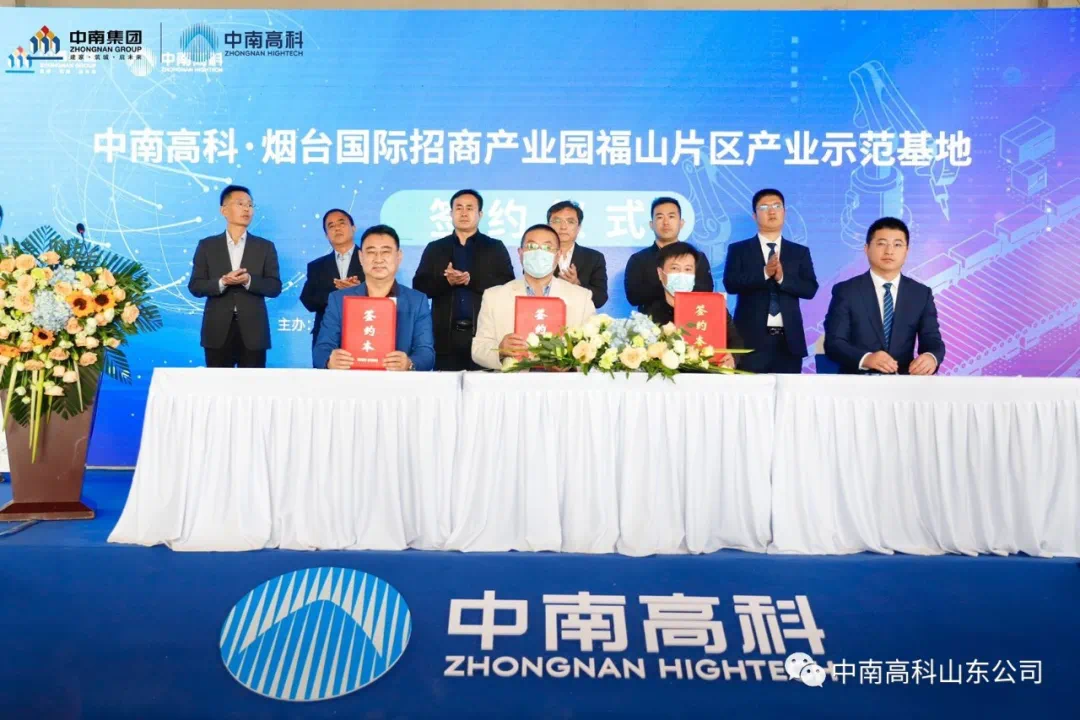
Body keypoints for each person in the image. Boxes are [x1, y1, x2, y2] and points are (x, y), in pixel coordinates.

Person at [824, 217, 945, 375]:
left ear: (907, 251)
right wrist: (866, 358)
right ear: (867, 249)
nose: (889, 251)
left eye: (897, 245)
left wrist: (931, 357)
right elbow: (834, 343)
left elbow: (932, 339)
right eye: (881, 243)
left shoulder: (921, 294)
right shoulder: (846, 291)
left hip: (903, 382)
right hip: (857, 382)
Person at [412, 189, 515, 370]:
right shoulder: (436, 248)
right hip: (444, 339)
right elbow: (419, 287)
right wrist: (447, 282)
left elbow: (507, 286)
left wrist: (471, 281)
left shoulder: (494, 247)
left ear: (480, 214)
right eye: (459, 208)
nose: (464, 213)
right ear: (451, 213)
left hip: (485, 338)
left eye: (470, 208)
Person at [472, 224, 596, 370]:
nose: (538, 253)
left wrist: (570, 365)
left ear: (558, 255)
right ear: (520, 253)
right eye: (531, 246)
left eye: (547, 247)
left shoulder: (581, 297)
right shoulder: (494, 296)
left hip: (562, 382)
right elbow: (478, 349)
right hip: (513, 381)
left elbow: (593, 348)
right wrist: (500, 350)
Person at [314, 224, 435, 371]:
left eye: (386, 252)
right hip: (351, 382)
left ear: (399, 256)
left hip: (398, 383)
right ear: (361, 257)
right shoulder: (338, 299)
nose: (378, 259)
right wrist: (329, 361)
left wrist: (409, 363)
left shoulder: (417, 301)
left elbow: (426, 353)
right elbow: (321, 350)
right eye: (371, 252)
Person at [722, 188, 818, 374]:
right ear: (754, 215)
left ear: (784, 212)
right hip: (750, 342)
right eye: (764, 207)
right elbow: (731, 284)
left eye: (777, 206)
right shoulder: (739, 249)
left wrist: (782, 278)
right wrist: (764, 273)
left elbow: (810, 288)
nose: (771, 211)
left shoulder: (799, 252)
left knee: (789, 392)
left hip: (788, 342)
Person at [188, 184, 281, 368]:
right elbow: (196, 286)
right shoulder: (207, 246)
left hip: (254, 333)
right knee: (218, 384)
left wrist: (249, 281)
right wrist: (223, 282)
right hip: (217, 332)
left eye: (250, 205)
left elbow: (274, 287)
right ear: (224, 210)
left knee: (253, 385)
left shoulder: (265, 247)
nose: (247, 209)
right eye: (240, 204)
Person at [645, 241, 743, 369]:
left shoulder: (713, 307)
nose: (682, 275)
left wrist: (732, 357)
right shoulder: (651, 313)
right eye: (675, 268)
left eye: (688, 269)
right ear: (660, 273)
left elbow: (735, 340)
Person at [624, 197, 713, 314]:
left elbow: (706, 291)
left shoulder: (697, 257)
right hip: (652, 323)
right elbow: (633, 296)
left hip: (690, 320)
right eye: (660, 217)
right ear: (651, 224)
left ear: (681, 223)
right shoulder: (638, 259)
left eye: (671, 216)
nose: (666, 222)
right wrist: (668, 285)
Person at [300, 208, 364, 346]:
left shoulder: (371, 260)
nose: (337, 228)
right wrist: (336, 294)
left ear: (353, 228)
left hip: (365, 332)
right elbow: (308, 301)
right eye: (331, 226)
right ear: (326, 235)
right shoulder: (316, 266)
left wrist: (360, 291)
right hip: (327, 336)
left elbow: (388, 294)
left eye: (341, 223)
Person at [547, 200, 609, 309]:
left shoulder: (594, 258)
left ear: (579, 227)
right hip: (545, 314)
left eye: (570, 221)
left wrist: (577, 284)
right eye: (556, 221)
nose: (563, 227)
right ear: (548, 226)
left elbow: (600, 299)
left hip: (580, 317)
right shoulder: (539, 254)